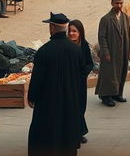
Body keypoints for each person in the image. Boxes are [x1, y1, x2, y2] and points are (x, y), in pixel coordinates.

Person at [28, 12, 85, 156]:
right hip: (70, 99)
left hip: (48, 100)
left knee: (46, 133)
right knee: (67, 133)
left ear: (52, 28)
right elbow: (81, 76)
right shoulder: (76, 50)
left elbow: (37, 78)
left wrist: (31, 96)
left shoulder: (43, 51)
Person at [96, 0, 130, 107]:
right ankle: (106, 96)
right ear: (112, 3)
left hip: (123, 50)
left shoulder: (124, 17)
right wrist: (105, 52)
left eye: (121, 3)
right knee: (109, 74)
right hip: (111, 51)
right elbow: (101, 37)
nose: (119, 6)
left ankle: (117, 93)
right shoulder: (105, 19)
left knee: (121, 72)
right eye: (117, 3)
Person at [67, 20, 94, 144]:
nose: (72, 33)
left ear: (80, 33)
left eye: (74, 31)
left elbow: (89, 64)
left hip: (80, 83)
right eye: (70, 31)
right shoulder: (65, 46)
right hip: (67, 84)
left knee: (80, 108)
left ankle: (79, 132)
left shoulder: (84, 46)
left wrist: (81, 74)